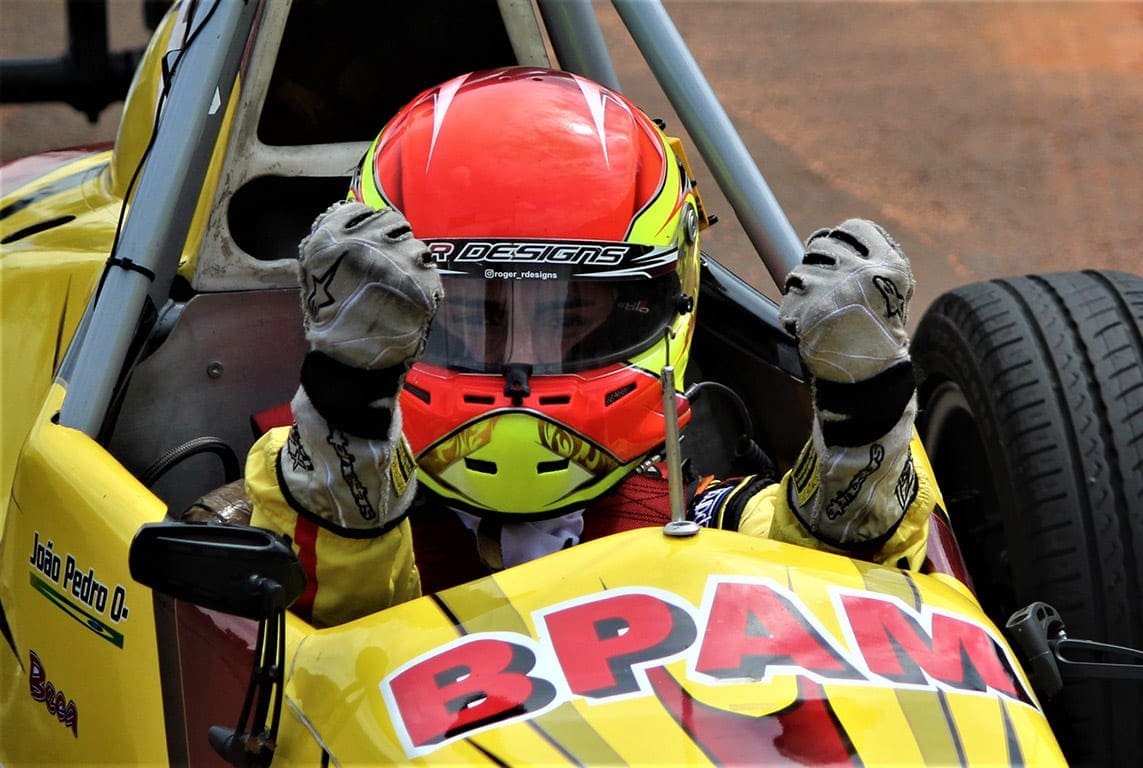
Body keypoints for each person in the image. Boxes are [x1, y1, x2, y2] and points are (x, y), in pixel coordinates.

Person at [241, 67, 943, 627]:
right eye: (474, 311)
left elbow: (839, 584)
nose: (520, 357)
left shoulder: (692, 513)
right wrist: (348, 416)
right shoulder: (299, 484)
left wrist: (864, 416)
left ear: (659, 299)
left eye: (569, 311)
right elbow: (322, 598)